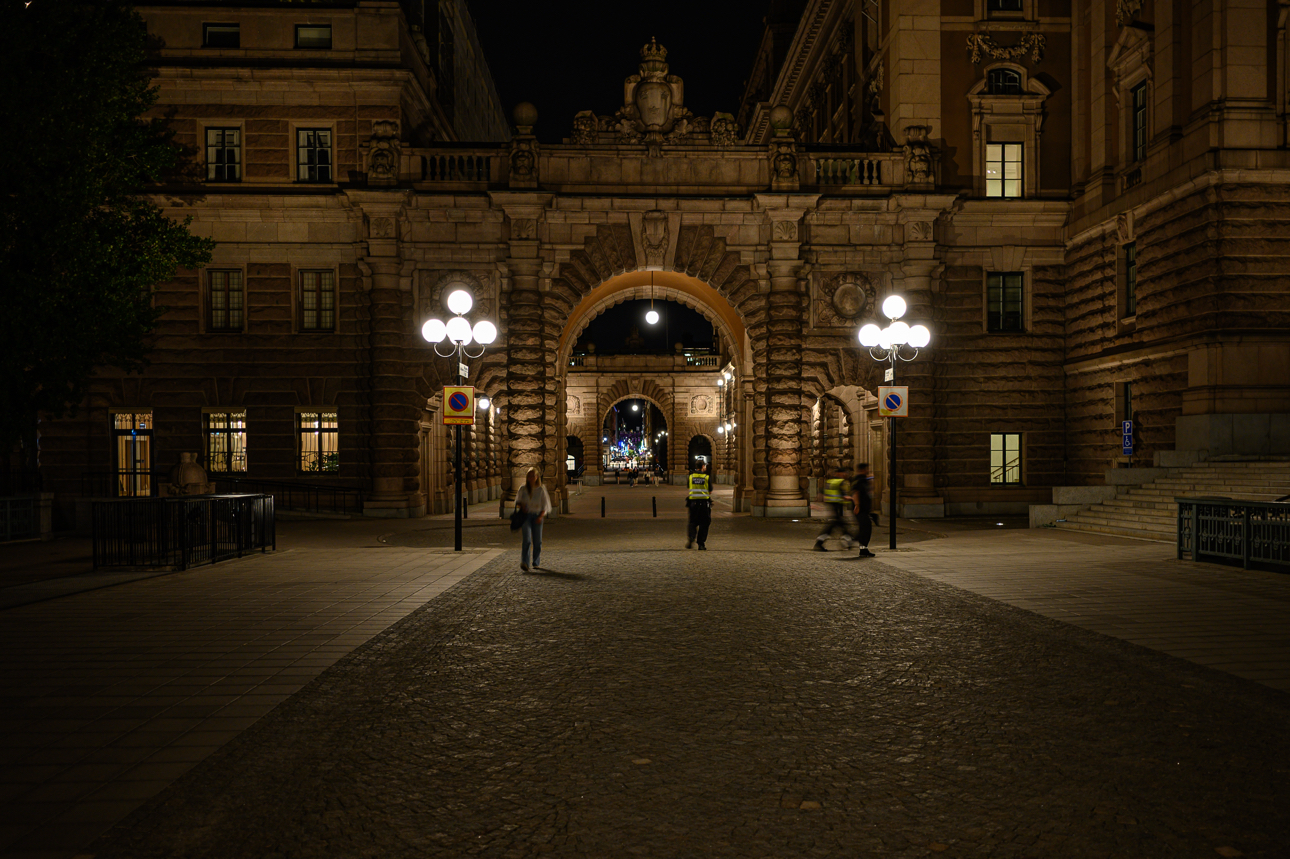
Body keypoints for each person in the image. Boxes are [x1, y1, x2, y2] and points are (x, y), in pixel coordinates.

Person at [514, 468, 552, 571]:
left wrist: (540, 516)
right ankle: (525, 562)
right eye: (529, 476)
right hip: (526, 516)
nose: (530, 478)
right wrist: (521, 506)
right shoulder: (523, 488)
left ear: (536, 477)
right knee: (526, 540)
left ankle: (536, 561)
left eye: (532, 476)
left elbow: (545, 505)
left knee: (537, 541)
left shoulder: (541, 489)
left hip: (537, 515)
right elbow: (517, 501)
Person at [814, 465, 853, 551]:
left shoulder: (830, 481)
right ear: (840, 473)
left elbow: (823, 492)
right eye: (843, 473)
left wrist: (818, 503)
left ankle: (848, 541)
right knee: (836, 525)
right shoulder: (841, 482)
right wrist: (850, 498)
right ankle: (820, 542)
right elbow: (843, 494)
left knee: (840, 524)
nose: (845, 475)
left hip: (831, 504)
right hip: (838, 505)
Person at [685, 460, 712, 550]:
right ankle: (701, 544)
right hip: (704, 504)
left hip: (693, 503)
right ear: (703, 466)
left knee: (692, 522)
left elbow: (689, 487)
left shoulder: (691, 476)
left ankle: (691, 537)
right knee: (704, 523)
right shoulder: (706, 477)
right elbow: (710, 490)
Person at [852, 462, 876, 558]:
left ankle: (863, 549)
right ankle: (851, 540)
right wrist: (857, 505)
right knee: (865, 528)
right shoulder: (859, 480)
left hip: (864, 509)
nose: (868, 471)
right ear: (862, 470)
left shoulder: (864, 479)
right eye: (866, 469)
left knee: (865, 528)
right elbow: (855, 492)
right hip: (860, 509)